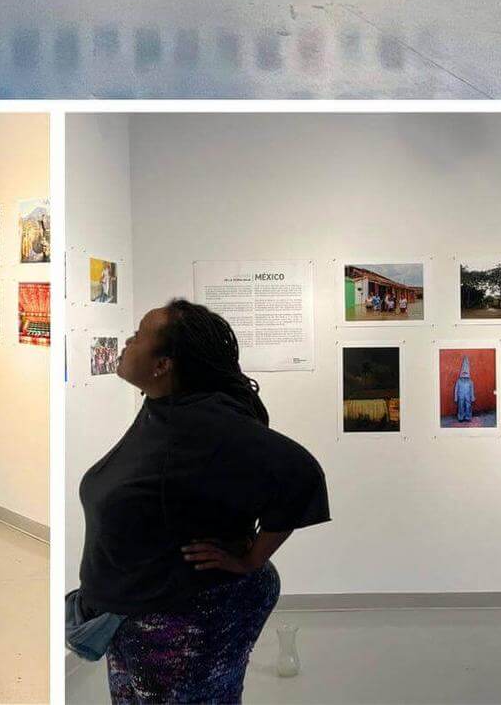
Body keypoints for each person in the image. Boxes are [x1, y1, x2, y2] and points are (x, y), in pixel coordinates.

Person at [75, 299, 330, 704]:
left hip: (184, 621)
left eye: (140, 334)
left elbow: (301, 474)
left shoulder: (205, 421)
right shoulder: (164, 409)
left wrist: (250, 558)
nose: (127, 340)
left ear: (164, 365)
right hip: (155, 615)